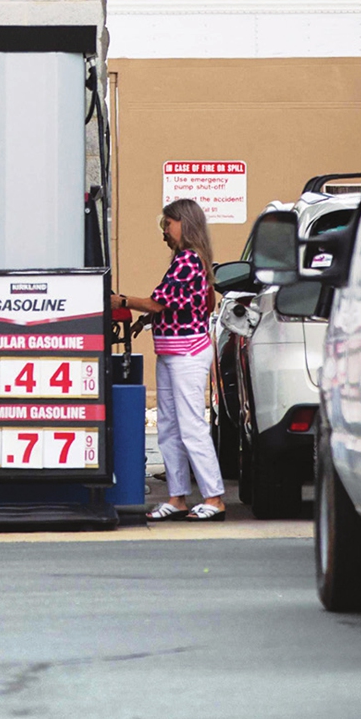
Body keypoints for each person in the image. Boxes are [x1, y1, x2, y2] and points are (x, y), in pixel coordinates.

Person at [114, 198, 226, 521]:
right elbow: (179, 306)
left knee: (190, 425)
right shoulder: (184, 260)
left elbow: (159, 303)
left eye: (168, 224)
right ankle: (177, 498)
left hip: (186, 354)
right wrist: (144, 322)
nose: (164, 231)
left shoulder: (189, 261)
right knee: (169, 427)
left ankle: (214, 497)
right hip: (171, 352)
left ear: (185, 224)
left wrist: (120, 301)